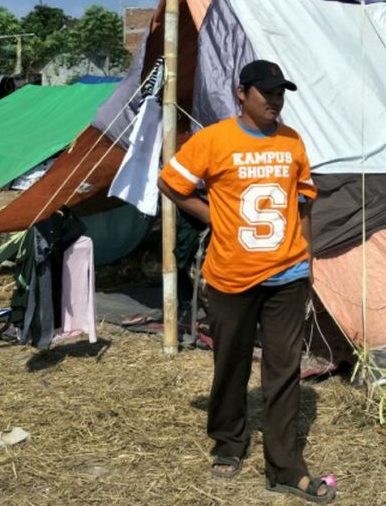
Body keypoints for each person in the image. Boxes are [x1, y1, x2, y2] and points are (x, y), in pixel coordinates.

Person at [157, 59, 335, 503]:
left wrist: (307, 260)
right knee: (231, 363)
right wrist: (213, 215)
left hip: (287, 274)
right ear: (242, 94)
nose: (275, 101)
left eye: (280, 94)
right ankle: (228, 441)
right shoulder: (214, 139)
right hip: (231, 277)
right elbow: (171, 184)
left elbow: (304, 204)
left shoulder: (292, 141)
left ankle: (284, 466)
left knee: (283, 371)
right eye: (266, 93)